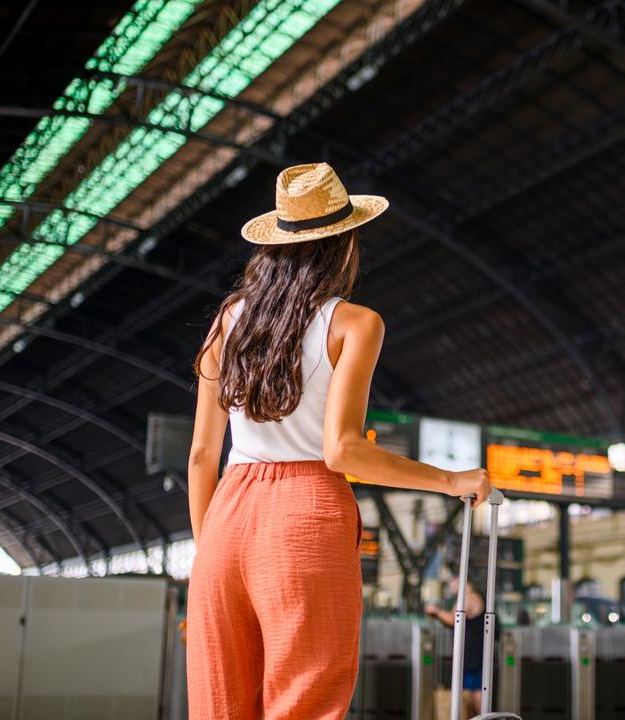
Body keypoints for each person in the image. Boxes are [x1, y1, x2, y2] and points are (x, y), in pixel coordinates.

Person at [184, 162, 491, 719]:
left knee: (221, 704)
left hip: (224, 517)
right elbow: (343, 451)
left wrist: (210, 555)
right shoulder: (354, 323)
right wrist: (452, 481)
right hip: (305, 515)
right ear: (345, 245)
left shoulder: (229, 319)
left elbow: (204, 452)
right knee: (304, 699)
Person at [425, 576, 490, 717]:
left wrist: (436, 611)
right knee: (470, 692)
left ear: (463, 580)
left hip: (473, 655)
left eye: (453, 581)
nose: (451, 585)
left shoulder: (469, 598)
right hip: (472, 654)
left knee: (475, 692)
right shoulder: (469, 597)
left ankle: (484, 717)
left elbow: (454, 619)